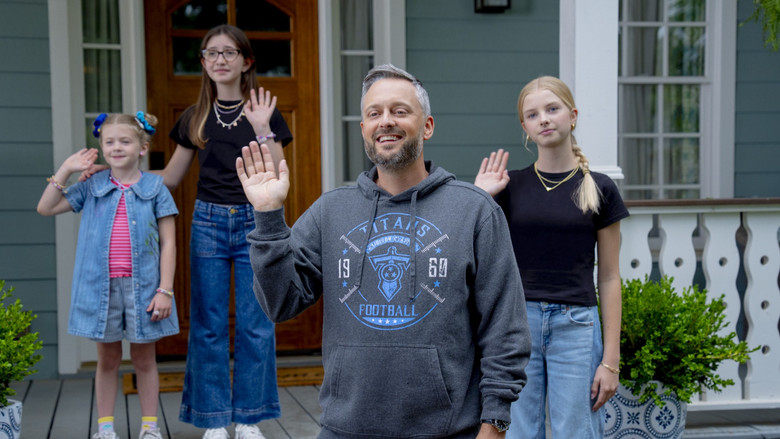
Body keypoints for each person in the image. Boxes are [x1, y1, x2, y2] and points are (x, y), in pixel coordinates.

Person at [236, 64, 530, 438]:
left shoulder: (474, 210)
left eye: (399, 111)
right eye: (374, 113)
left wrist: (496, 423)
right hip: (345, 430)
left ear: (427, 126)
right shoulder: (331, 211)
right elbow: (280, 303)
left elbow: (505, 327)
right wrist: (268, 217)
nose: (385, 121)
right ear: (364, 129)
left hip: (448, 431)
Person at [157, 24, 293, 439]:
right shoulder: (195, 117)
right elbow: (170, 178)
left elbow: (278, 173)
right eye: (211, 53)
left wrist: (262, 127)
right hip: (208, 225)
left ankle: (249, 418)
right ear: (203, 62)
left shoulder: (264, 111)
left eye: (229, 52)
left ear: (246, 61)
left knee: (256, 323)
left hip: (255, 221)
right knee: (208, 324)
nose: (220, 59)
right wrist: (117, 177)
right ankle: (214, 420)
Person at [474, 76, 628, 438]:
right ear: (525, 127)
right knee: (518, 432)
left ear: (572, 116)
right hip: (518, 325)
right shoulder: (509, 186)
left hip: (576, 326)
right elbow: (474, 257)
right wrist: (480, 197)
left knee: (576, 431)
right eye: (532, 114)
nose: (543, 118)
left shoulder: (600, 188)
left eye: (552, 109)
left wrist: (611, 361)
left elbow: (609, 276)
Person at [37, 112, 179, 439]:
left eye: (125, 141)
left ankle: (150, 427)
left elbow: (169, 243)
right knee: (108, 359)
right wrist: (67, 169)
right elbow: (46, 207)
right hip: (102, 288)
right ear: (101, 147)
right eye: (109, 142)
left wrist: (165, 290)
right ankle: (105, 429)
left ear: (142, 148)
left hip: (146, 289)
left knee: (144, 359)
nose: (116, 147)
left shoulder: (156, 189)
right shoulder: (92, 186)